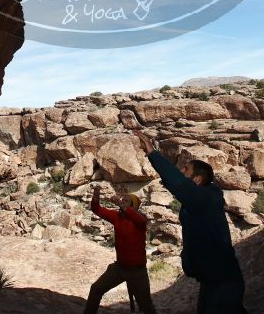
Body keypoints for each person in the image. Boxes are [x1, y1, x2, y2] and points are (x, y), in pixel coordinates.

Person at [135, 131, 246, 314]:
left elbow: (178, 184)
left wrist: (152, 153)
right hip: (213, 277)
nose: (181, 172)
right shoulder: (199, 201)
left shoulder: (206, 198)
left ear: (197, 179)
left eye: (185, 169)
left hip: (222, 278)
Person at [84, 185, 157, 314]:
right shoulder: (117, 217)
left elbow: (138, 218)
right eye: (122, 200)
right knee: (96, 289)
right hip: (120, 268)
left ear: (133, 206)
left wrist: (119, 203)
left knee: (146, 306)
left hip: (137, 270)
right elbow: (98, 210)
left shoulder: (140, 220)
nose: (122, 202)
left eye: (126, 201)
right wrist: (96, 193)